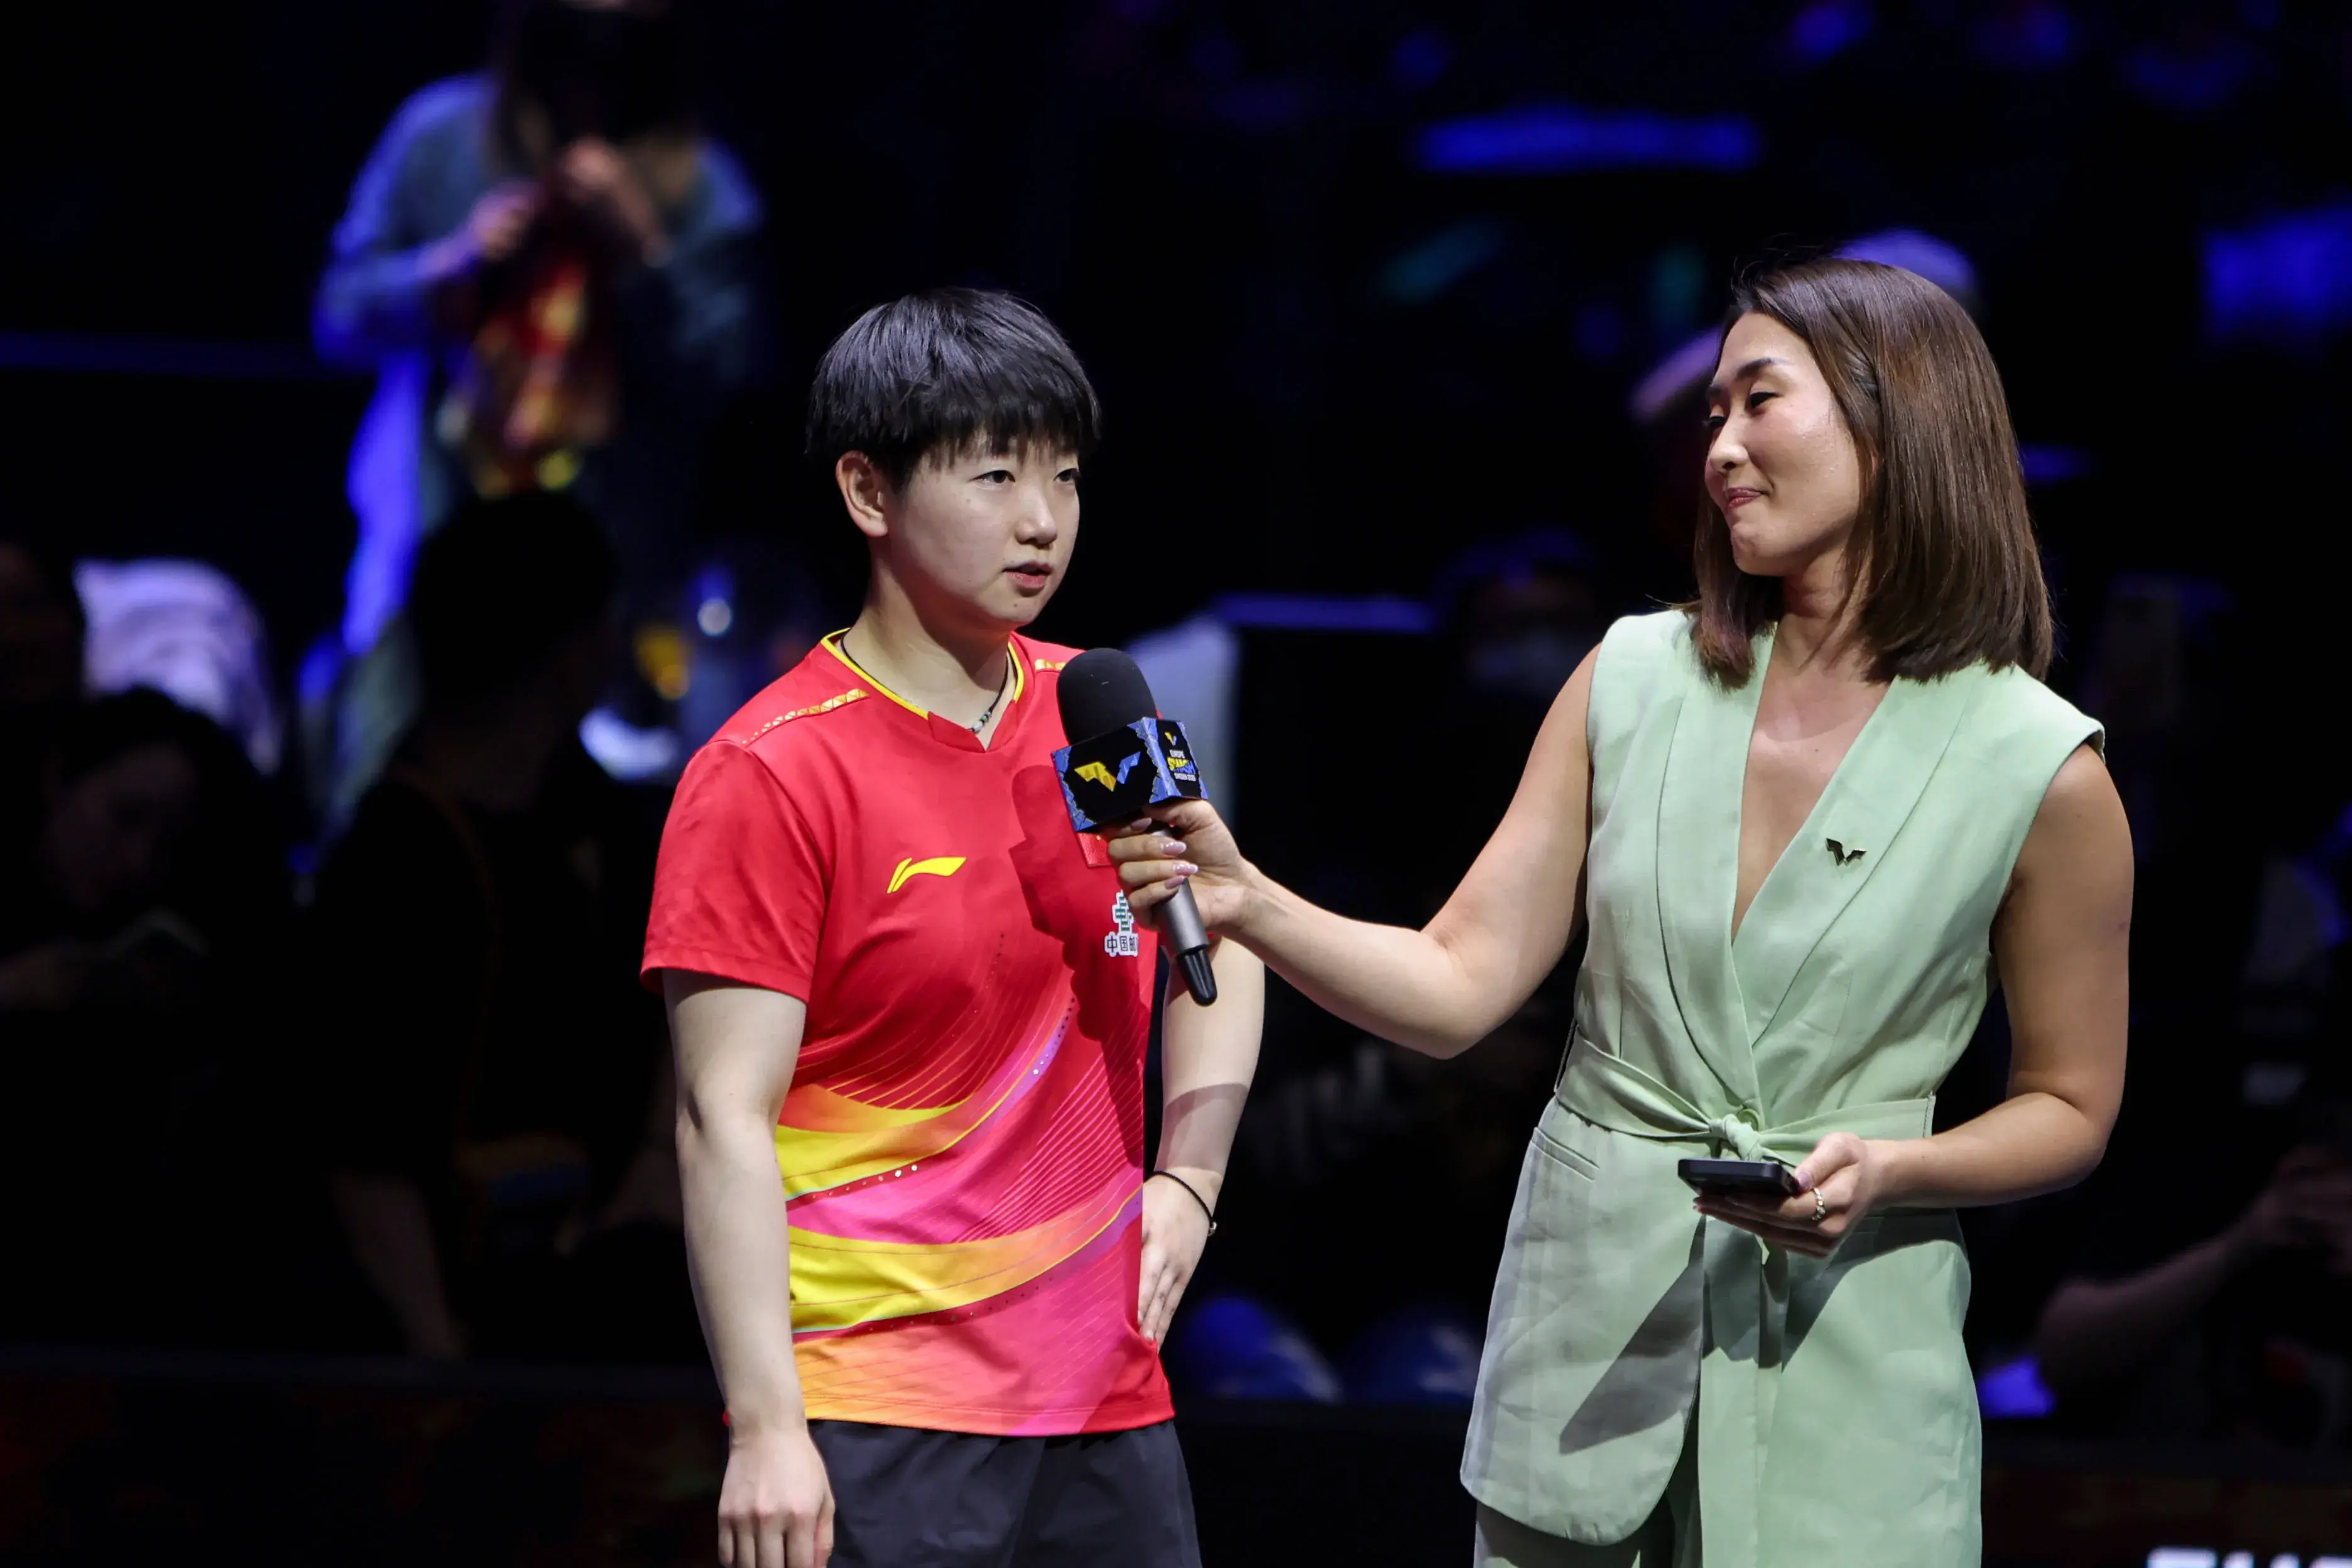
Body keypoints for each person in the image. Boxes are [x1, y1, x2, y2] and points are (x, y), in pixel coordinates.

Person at [1111, 258, 2133, 1565]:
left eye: (1760, 401)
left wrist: (1893, 1171)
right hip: (1586, 1360)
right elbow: (1457, 982)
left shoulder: (2041, 767)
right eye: (1713, 415)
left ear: (1896, 419)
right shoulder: (1633, 678)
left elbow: (2071, 1105)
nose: (1722, 449)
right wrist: (1249, 901)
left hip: (1854, 1383)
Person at [643, 289, 1266, 1568]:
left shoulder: (1098, 718)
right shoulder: (772, 772)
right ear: (868, 491)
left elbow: (1227, 932)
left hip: (1107, 1405)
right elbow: (719, 1120)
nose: (1043, 520)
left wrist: (1191, 1185)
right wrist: (769, 1426)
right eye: (995, 475)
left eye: (1066, 477)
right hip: (879, 1410)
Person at [312, 0, 766, 819]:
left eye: (620, 41)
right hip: (430, 545)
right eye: (573, 34)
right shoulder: (442, 139)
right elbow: (340, 315)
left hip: (607, 574)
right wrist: (450, 267)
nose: (593, 63)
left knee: (578, 821)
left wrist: (644, 256)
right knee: (384, 792)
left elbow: (728, 381)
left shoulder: (702, 187)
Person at [314, 490, 685, 1363]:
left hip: (592, 1295)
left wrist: (654, 1163)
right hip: (452, 1333)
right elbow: (363, 1147)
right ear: (576, 653)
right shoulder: (400, 857)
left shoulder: (605, 824)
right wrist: (440, 1362)